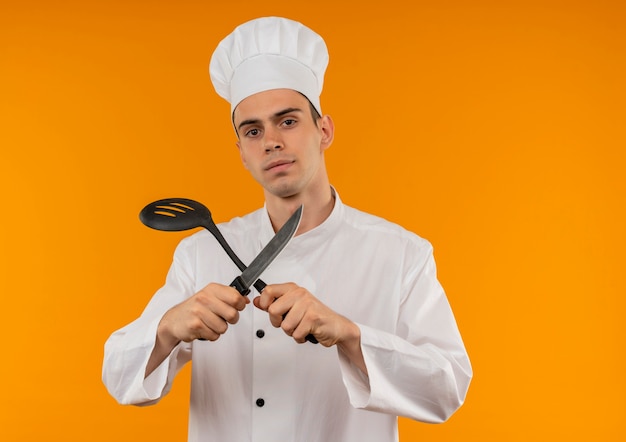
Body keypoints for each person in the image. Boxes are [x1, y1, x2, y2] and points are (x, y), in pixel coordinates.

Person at [102, 16, 472, 441]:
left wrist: (351, 336)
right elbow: (119, 378)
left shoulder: (401, 254)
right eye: (253, 130)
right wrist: (168, 328)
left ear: (324, 130)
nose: (272, 141)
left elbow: (447, 389)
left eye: (288, 121)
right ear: (241, 152)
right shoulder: (200, 253)